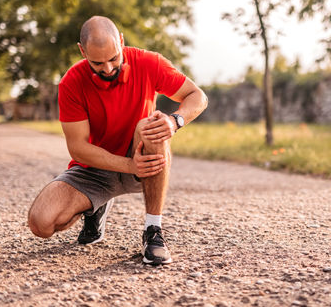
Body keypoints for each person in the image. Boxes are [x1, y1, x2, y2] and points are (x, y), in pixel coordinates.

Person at [28, 16, 208, 265]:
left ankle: (153, 231)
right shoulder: (71, 82)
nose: (108, 69)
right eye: (97, 63)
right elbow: (78, 148)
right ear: (82, 52)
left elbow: (196, 95)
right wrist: (126, 166)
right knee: (42, 223)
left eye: (114, 58)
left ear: (121, 41)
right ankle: (94, 208)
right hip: (95, 170)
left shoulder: (149, 62)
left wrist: (175, 121)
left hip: (142, 159)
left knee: (152, 125)